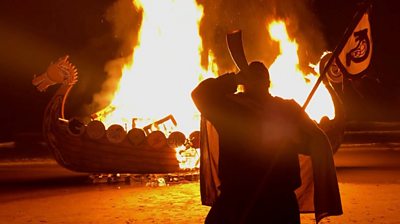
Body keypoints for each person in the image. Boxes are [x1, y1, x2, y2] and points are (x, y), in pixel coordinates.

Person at [192, 61, 342, 223]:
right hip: (240, 198)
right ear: (268, 83)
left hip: (274, 199)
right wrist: (233, 80)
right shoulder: (232, 108)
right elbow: (199, 94)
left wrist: (295, 137)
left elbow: (315, 142)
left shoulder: (283, 109)